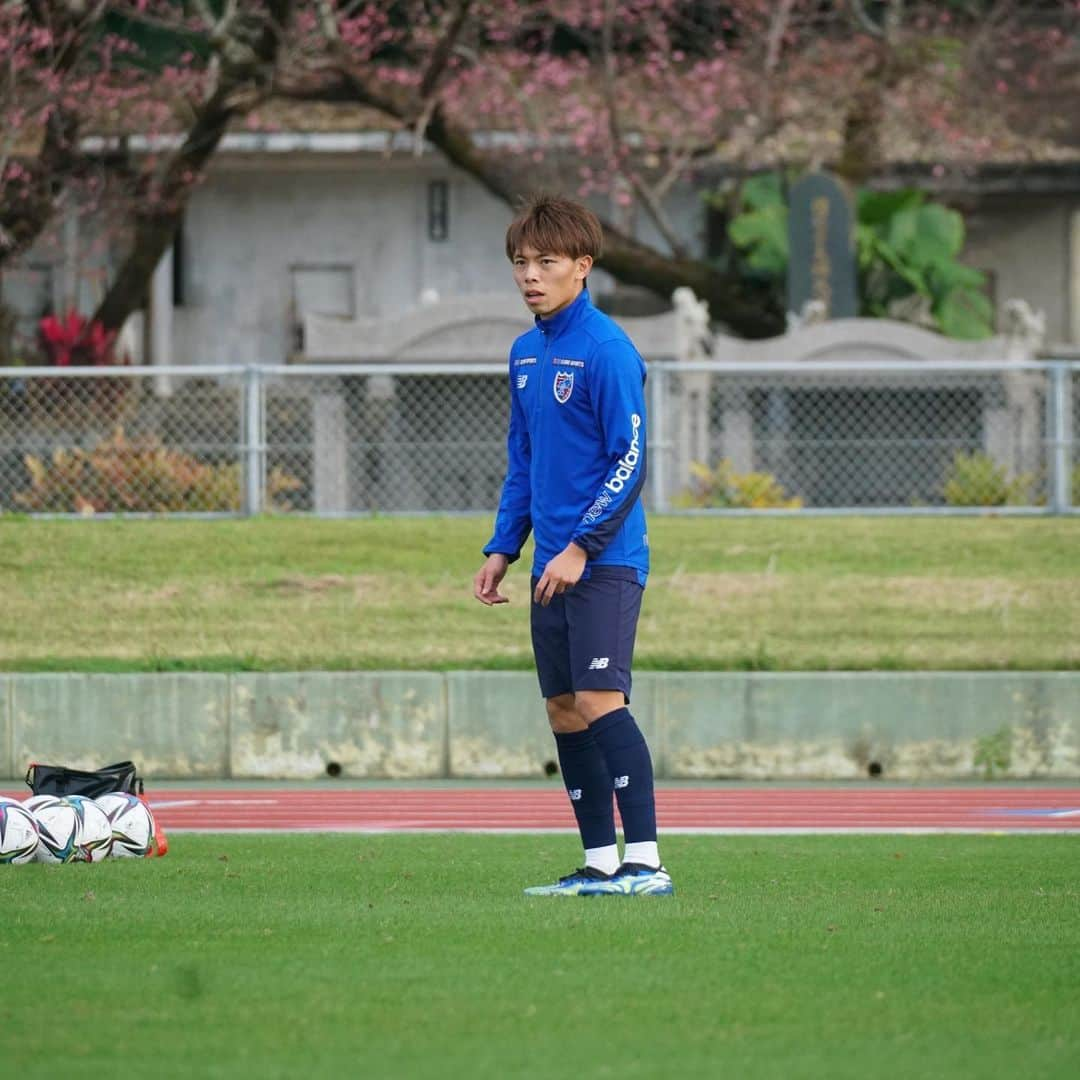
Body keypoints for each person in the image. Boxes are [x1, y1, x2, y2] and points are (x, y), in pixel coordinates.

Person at [473, 194, 672, 897]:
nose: (531, 275)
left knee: (599, 700)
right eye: (521, 263)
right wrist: (505, 547)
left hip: (604, 561)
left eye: (546, 262)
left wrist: (584, 546)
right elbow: (523, 460)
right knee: (562, 708)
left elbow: (631, 458)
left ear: (582, 267)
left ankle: (646, 863)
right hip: (549, 565)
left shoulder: (608, 350)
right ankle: (600, 865)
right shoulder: (525, 354)